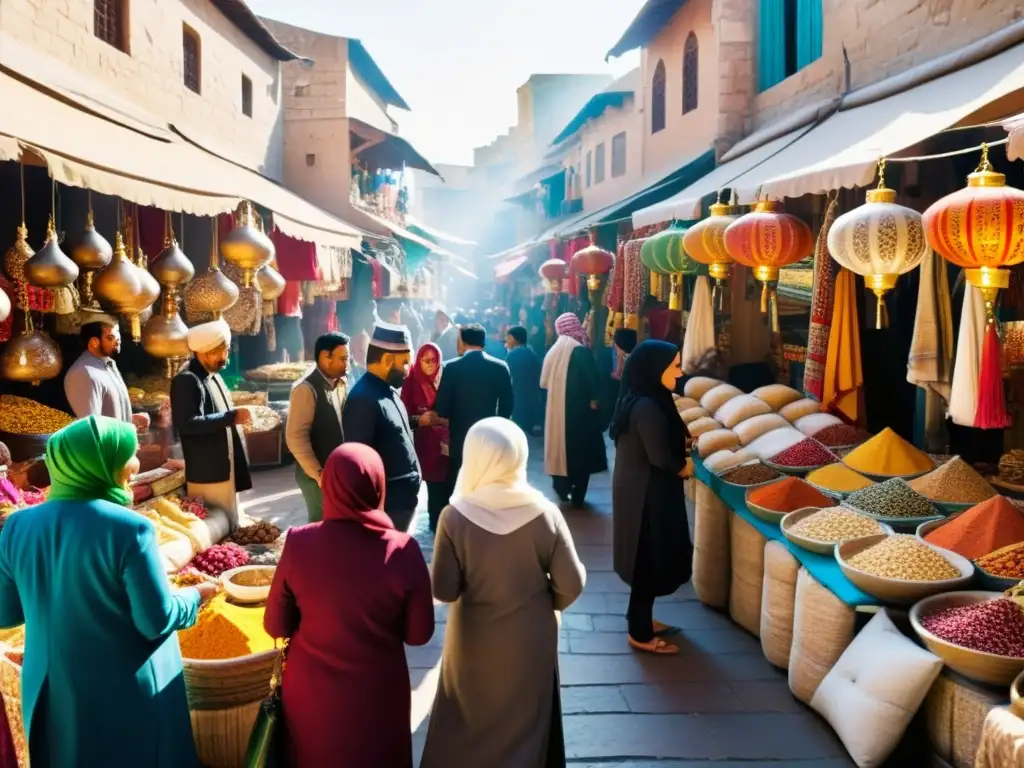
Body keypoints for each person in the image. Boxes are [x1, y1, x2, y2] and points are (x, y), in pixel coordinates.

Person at [0, 416, 216, 766]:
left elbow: (6, 614)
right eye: (125, 456)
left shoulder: (18, 526)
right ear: (98, 463)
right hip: (124, 693)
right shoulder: (130, 529)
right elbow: (155, 620)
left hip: (50, 690)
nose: (134, 464)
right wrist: (197, 596)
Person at [421, 418, 585, 768]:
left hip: (472, 638)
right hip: (530, 638)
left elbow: (444, 590)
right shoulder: (545, 513)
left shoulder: (454, 517)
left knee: (466, 717)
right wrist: (542, 603)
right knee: (527, 722)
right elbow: (572, 583)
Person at [264, 443, 434, 768]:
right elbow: (418, 635)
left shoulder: (299, 542)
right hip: (378, 696)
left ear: (328, 485)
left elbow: (275, 625)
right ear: (378, 486)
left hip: (312, 697)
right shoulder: (403, 550)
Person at [609, 340, 694, 655]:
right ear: (655, 369)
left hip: (645, 490)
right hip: (645, 495)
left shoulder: (650, 399)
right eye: (674, 365)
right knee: (646, 559)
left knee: (650, 557)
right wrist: (683, 467)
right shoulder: (646, 406)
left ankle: (640, 617)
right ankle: (640, 633)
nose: (680, 371)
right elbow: (660, 456)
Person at [170, 319, 252, 528]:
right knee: (219, 525)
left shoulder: (213, 376)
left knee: (232, 521)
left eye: (225, 350)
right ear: (203, 353)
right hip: (209, 469)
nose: (224, 357)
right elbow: (188, 424)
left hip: (225, 463)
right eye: (219, 352)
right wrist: (230, 417)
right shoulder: (187, 380)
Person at [342, 322, 420, 531]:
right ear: (387, 360)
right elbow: (358, 466)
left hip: (399, 505)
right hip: (386, 510)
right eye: (404, 363)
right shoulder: (363, 399)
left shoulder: (388, 392)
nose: (407, 371)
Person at [433, 323, 514, 506]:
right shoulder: (500, 367)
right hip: (490, 437)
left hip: (460, 438)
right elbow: (508, 406)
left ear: (462, 340)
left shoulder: (450, 368)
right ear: (483, 341)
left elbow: (442, 408)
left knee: (460, 486)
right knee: (487, 483)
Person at [540, 313, 607, 507]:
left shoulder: (553, 350)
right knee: (580, 452)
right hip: (581, 413)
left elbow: (543, 382)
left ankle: (562, 487)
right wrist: (596, 400)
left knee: (559, 447)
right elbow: (593, 380)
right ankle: (578, 494)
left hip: (557, 411)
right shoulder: (580, 350)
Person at [286, 332, 349, 523]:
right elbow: (296, 437)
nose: (348, 364)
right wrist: (319, 474)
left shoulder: (341, 383)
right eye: (343, 359)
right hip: (316, 477)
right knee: (321, 524)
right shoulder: (306, 389)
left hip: (336, 473)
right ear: (325, 358)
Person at [400, 343, 450, 531]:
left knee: (449, 491)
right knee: (434, 491)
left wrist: (444, 421)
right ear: (418, 360)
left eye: (434, 360)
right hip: (424, 448)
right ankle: (436, 528)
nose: (430, 365)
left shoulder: (446, 379)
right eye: (425, 360)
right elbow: (403, 418)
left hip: (447, 446)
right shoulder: (411, 382)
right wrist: (420, 420)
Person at [64, 320, 149, 430]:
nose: (117, 342)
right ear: (94, 342)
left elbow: (107, 416)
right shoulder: (84, 373)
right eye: (110, 338)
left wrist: (128, 420)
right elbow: (91, 428)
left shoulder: (109, 364)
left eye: (118, 337)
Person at [505, 325, 542, 435]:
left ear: (515, 339)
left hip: (517, 391)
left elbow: (508, 374)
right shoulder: (530, 352)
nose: (507, 340)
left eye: (509, 337)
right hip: (531, 392)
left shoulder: (513, 354)